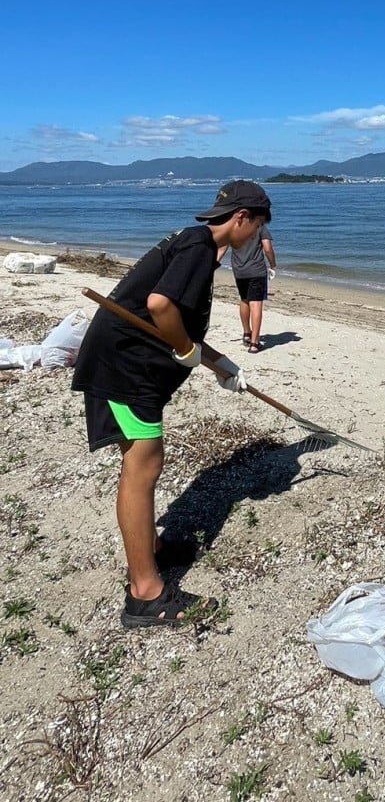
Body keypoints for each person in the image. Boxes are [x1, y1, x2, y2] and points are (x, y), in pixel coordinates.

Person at [71, 179, 272, 628]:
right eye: (258, 227)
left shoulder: (194, 242)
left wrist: (223, 365)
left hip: (127, 365)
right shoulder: (199, 248)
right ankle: (145, 593)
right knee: (142, 467)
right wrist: (183, 349)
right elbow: (160, 306)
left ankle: (153, 550)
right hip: (124, 371)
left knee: (142, 464)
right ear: (242, 218)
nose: (258, 236)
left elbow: (177, 320)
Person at [224, 221, 277, 354]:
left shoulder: (234, 227)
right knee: (256, 303)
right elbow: (268, 248)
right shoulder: (260, 227)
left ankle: (247, 333)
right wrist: (273, 264)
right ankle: (255, 343)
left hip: (239, 270)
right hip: (256, 270)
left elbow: (223, 247)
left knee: (244, 300)